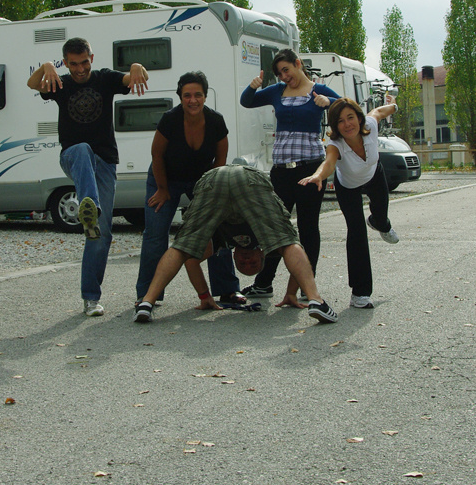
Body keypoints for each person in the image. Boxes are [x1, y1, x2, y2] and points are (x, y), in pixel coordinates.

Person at [27, 37, 148, 317]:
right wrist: (46, 66)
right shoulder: (61, 83)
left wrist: (138, 65)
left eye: (84, 63)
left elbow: (131, 78)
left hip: (105, 163)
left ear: (91, 58)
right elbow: (32, 85)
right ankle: (89, 203)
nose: (80, 69)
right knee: (82, 148)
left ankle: (91, 298)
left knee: (100, 235)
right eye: (73, 64)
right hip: (73, 157)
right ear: (66, 63)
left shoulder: (105, 79)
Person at [133, 164, 338, 325]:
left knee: (184, 246)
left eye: (244, 265)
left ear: (234, 257)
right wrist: (292, 293)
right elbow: (294, 247)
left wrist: (205, 296)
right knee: (288, 241)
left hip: (215, 179)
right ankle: (316, 300)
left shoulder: (220, 242)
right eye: (252, 264)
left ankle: (146, 303)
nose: (247, 261)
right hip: (246, 178)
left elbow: (191, 260)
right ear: (261, 256)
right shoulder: (270, 245)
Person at [135, 72, 248, 310]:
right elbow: (156, 155)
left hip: (202, 180)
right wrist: (163, 189)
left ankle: (227, 290)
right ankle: (147, 294)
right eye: (187, 95)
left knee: (218, 227)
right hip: (164, 177)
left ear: (205, 96)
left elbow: (221, 159)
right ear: (180, 97)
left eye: (198, 95)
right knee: (155, 236)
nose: (192, 100)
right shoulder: (170, 120)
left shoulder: (216, 121)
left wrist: (215, 195)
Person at [238, 48, 337, 306]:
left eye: (286, 70)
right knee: (275, 229)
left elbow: (346, 107)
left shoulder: (318, 90)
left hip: (310, 170)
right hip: (281, 171)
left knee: (307, 228)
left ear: (298, 64)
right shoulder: (276, 92)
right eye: (279, 73)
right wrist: (253, 86)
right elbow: (247, 101)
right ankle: (264, 284)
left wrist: (329, 104)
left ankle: (307, 286)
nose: (284, 77)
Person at [299, 98, 400, 308]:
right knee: (356, 232)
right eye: (340, 121)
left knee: (381, 217)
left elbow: (381, 111)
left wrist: (394, 104)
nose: (347, 124)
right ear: (335, 126)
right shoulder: (336, 145)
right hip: (348, 187)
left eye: (351, 118)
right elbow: (328, 164)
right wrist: (318, 176)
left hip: (374, 175)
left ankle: (381, 224)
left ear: (359, 118)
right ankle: (360, 293)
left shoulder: (370, 126)